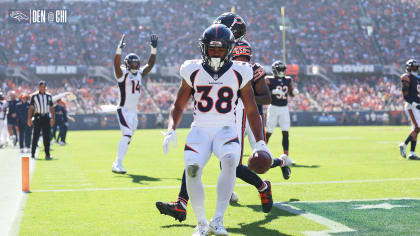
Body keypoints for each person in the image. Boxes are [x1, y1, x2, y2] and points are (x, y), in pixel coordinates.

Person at [156, 40, 294, 223]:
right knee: (195, 158)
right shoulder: (214, 65)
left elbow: (265, 99)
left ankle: (266, 180)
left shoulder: (250, 69)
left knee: (239, 163)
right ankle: (182, 203)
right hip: (222, 119)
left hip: (245, 119)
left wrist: (243, 96)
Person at [111, 33, 158, 174]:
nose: (136, 65)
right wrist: (119, 50)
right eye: (133, 63)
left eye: (137, 63)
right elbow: (116, 65)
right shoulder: (123, 74)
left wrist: (153, 50)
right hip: (123, 109)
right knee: (127, 135)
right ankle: (117, 163)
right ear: (127, 63)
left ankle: (117, 162)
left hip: (133, 112)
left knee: (128, 138)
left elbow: (149, 65)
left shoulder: (139, 74)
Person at [265, 61, 299, 162]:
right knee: (269, 131)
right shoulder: (268, 80)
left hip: (284, 108)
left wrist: (293, 93)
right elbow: (264, 92)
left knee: (285, 132)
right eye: (279, 69)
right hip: (274, 107)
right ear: (274, 70)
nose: (281, 71)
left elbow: (291, 94)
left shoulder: (288, 80)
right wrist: (272, 91)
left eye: (282, 69)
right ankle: (260, 150)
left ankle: (286, 155)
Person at [27, 81, 55, 160]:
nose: (43, 88)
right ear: (39, 87)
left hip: (46, 117)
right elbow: (31, 108)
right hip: (37, 117)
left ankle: (47, 154)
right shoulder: (34, 96)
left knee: (47, 136)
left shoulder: (49, 96)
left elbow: (51, 108)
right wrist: (29, 119)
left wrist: (53, 118)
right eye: (42, 86)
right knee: (35, 136)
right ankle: (33, 154)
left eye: (44, 86)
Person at [399, 59, 420, 160]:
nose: (415, 69)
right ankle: (404, 144)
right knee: (418, 127)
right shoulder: (406, 77)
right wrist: (415, 104)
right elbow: (405, 96)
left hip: (417, 106)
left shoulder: (417, 78)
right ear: (409, 67)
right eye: (414, 67)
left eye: (417, 67)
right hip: (411, 106)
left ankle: (412, 153)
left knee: (416, 129)